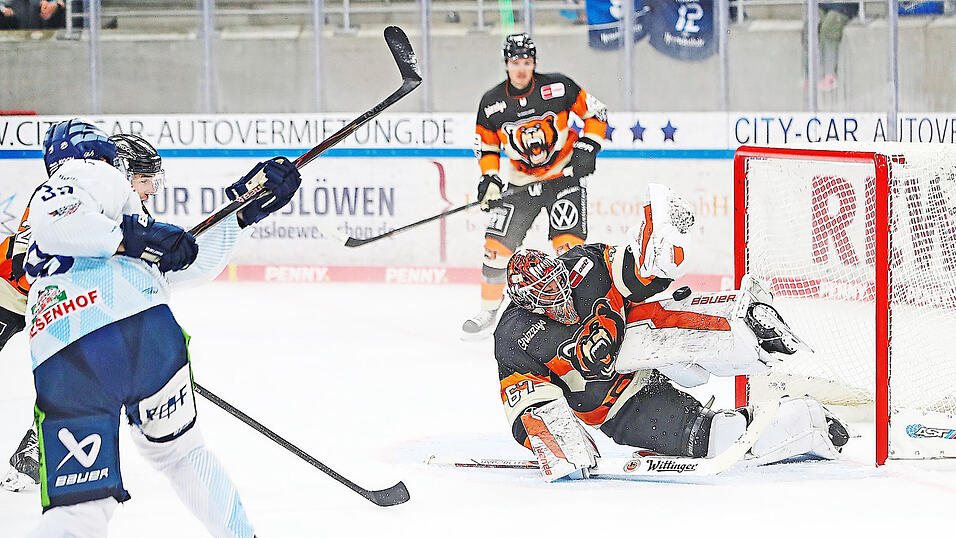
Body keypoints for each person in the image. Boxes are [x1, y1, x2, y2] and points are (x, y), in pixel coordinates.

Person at [23, 119, 299, 537]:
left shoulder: (118, 221)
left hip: (69, 350)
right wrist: (136, 238)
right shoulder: (90, 174)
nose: (151, 190)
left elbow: (185, 261)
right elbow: (61, 223)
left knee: (80, 508)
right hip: (145, 335)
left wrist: (241, 211)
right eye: (145, 178)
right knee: (185, 456)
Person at [493, 183, 851, 481]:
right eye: (546, 296)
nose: (559, 296)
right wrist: (560, 443)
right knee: (713, 435)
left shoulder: (582, 265)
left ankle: (742, 320)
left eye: (558, 283)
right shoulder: (513, 336)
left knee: (671, 312)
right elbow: (527, 401)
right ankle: (802, 418)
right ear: (524, 303)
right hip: (619, 408)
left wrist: (655, 246)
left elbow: (636, 273)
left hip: (640, 347)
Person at [0, 133, 165, 493]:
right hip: (9, 290)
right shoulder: (67, 193)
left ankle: (37, 444)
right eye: (144, 179)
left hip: (60, 301)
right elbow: (26, 262)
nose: (151, 189)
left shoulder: (130, 210)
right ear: (118, 172)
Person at [462, 32, 608, 338]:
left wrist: (588, 146)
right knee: (495, 249)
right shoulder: (491, 103)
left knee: (570, 250)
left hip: (563, 179)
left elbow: (596, 113)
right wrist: (489, 178)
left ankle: (575, 313)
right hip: (521, 185)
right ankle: (489, 309)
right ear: (506, 64)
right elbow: (487, 147)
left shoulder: (558, 86)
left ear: (534, 63)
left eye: (526, 62)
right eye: (515, 62)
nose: (521, 68)